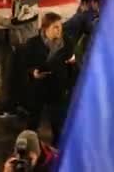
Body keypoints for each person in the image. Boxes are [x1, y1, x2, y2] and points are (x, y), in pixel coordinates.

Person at [25, 13, 76, 146]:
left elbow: (72, 65)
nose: (59, 30)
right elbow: (24, 65)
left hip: (58, 88)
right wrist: (33, 73)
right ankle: (30, 146)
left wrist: (70, 86)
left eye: (60, 27)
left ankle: (57, 148)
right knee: (33, 120)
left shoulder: (68, 43)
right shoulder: (33, 44)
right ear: (45, 28)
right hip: (38, 88)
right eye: (55, 27)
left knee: (58, 122)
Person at [0, 0, 40, 118]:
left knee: (18, 76)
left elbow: (16, 22)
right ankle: (19, 105)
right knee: (18, 76)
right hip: (19, 43)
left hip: (25, 45)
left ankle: (15, 107)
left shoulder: (30, 4)